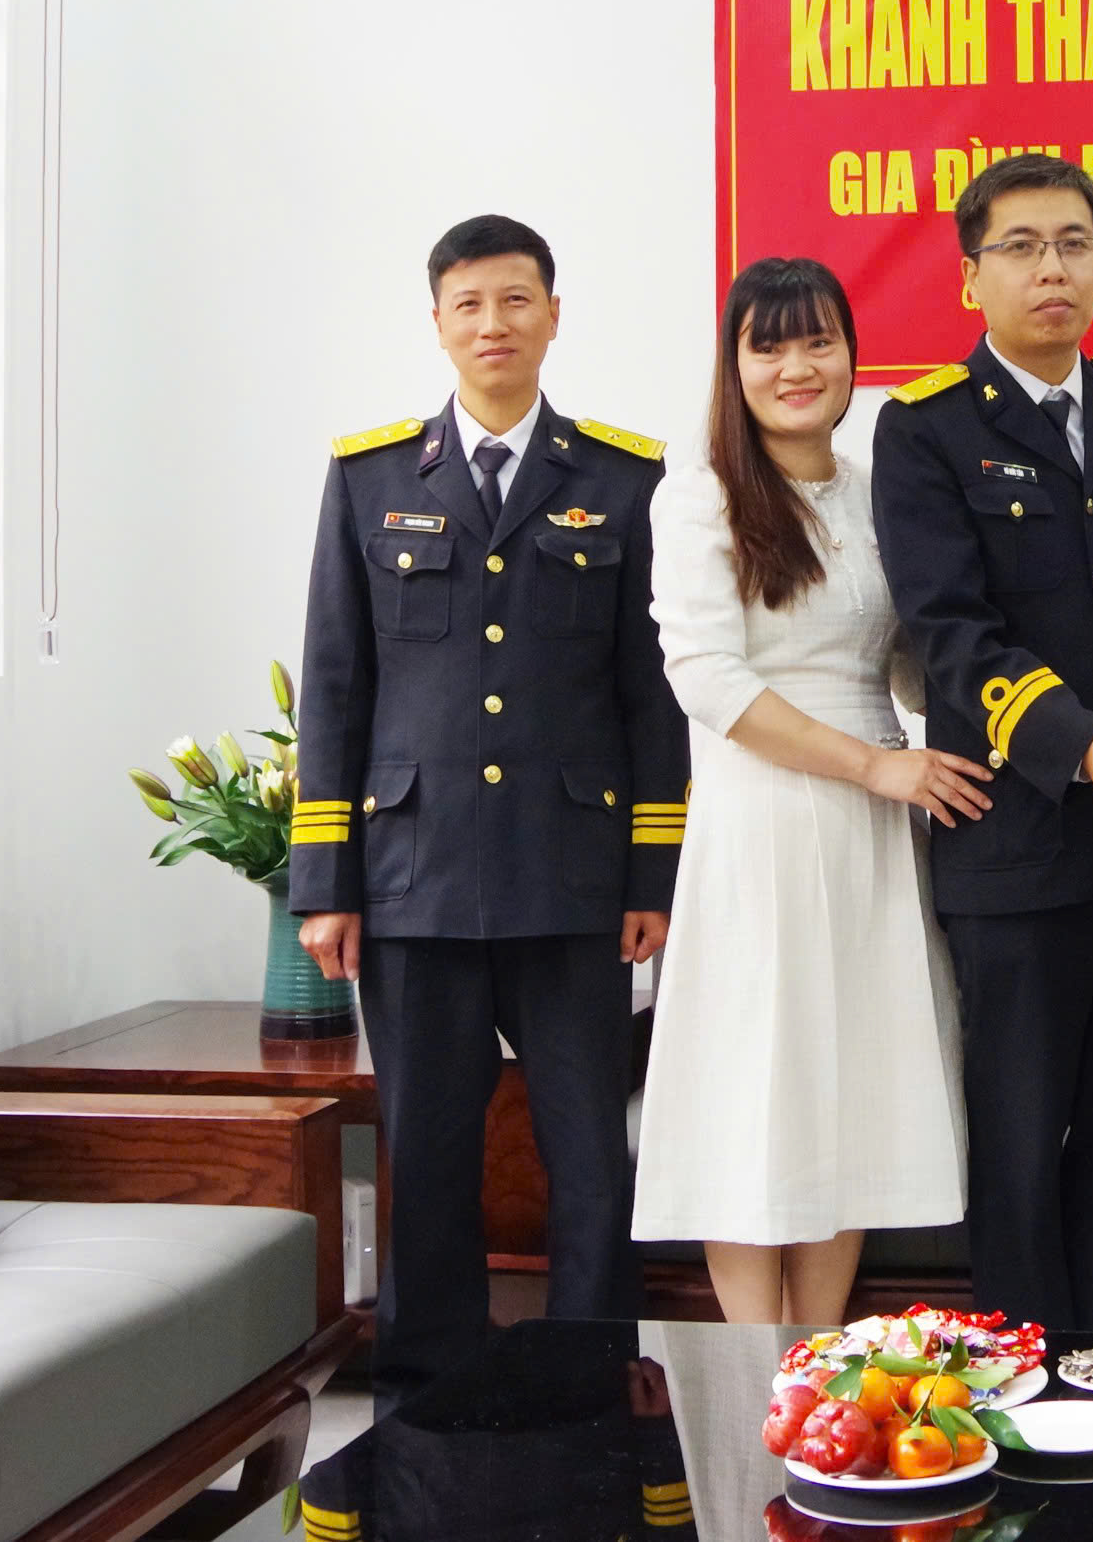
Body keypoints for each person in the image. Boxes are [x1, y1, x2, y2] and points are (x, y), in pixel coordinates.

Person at [291, 214, 687, 1403]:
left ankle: (590, 1371)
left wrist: (651, 876)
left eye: (516, 300)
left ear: (554, 315)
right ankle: (427, 1387)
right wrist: (325, 884)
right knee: (427, 1149)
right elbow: (335, 684)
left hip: (573, 879)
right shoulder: (370, 477)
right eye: (468, 304)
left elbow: (649, 695)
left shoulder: (623, 478)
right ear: (438, 323)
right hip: (415, 876)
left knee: (589, 1151)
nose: (493, 324)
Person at [870, 153, 1093, 1330]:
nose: (1050, 267)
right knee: (1018, 1142)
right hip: (1017, 838)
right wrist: (1081, 743)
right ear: (971, 277)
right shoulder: (924, 429)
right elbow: (950, 635)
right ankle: (1025, 1381)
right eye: (1019, 246)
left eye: (1072, 242)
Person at [629, 256, 978, 1323]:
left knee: (848, 1095)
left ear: (852, 354)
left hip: (875, 827)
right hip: (764, 820)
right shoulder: (700, 495)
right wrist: (875, 764)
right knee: (755, 1096)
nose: (796, 367)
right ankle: (756, 1371)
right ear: (733, 365)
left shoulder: (879, 492)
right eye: (768, 345)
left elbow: (914, 662)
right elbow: (707, 680)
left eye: (817, 340)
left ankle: (818, 1357)